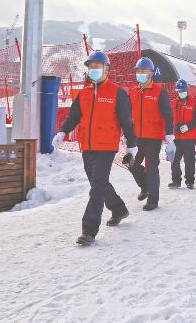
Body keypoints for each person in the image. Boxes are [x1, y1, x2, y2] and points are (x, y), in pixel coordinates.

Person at [52, 50, 137, 246]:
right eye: (91, 67)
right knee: (98, 184)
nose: (94, 70)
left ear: (106, 69)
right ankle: (118, 209)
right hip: (88, 146)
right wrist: (63, 132)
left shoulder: (117, 93)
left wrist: (132, 146)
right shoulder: (84, 94)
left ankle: (89, 230)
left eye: (97, 67)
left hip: (106, 147)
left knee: (97, 187)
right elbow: (73, 116)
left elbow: (127, 122)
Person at [125, 57, 175, 211]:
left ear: (151, 73)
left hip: (153, 137)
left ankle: (153, 200)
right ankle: (145, 187)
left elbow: (168, 115)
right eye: (138, 70)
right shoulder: (133, 91)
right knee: (130, 163)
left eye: (144, 71)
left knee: (152, 168)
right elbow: (126, 114)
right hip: (136, 137)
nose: (140, 73)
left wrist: (169, 135)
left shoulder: (159, 92)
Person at [169, 79, 196, 189]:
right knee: (174, 159)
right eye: (179, 91)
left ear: (187, 90)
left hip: (189, 137)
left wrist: (188, 126)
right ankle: (176, 181)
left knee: (189, 160)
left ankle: (190, 181)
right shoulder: (173, 103)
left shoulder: (194, 104)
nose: (181, 93)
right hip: (176, 137)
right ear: (177, 91)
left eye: (183, 90)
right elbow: (169, 118)